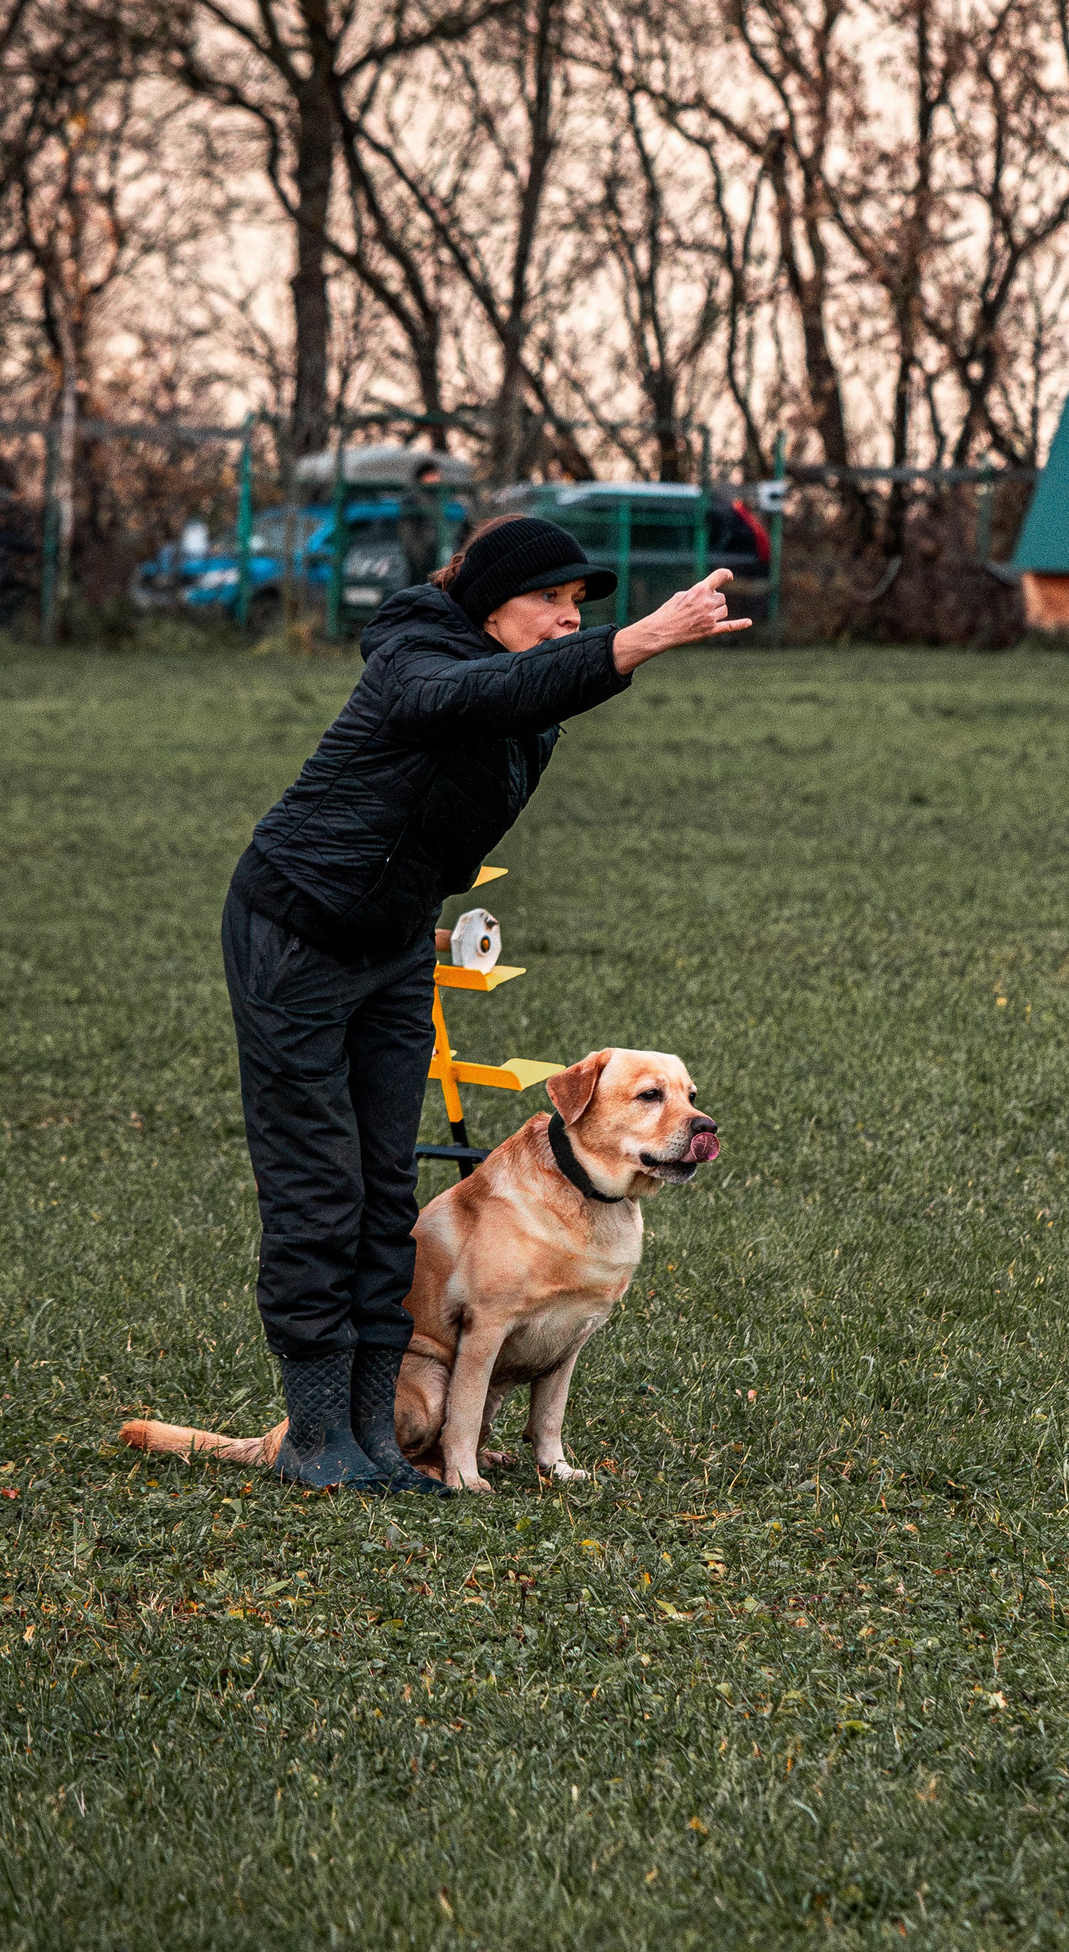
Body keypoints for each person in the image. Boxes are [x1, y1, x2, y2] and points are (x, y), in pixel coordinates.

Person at [222, 515, 751, 1491]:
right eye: (548, 599)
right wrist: (631, 640)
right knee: (318, 1185)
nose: (566, 619)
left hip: (392, 941)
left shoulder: (528, 701)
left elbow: (505, 715)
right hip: (294, 927)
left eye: (580, 606)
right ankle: (313, 1431)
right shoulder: (413, 650)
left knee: (386, 1185)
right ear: (486, 602)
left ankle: (375, 1425)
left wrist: (411, 904)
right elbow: (462, 694)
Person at [398, 458, 450, 587]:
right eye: (431, 475)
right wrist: (417, 553)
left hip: (438, 553)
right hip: (419, 556)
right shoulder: (412, 499)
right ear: (422, 477)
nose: (436, 478)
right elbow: (406, 530)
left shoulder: (442, 498)